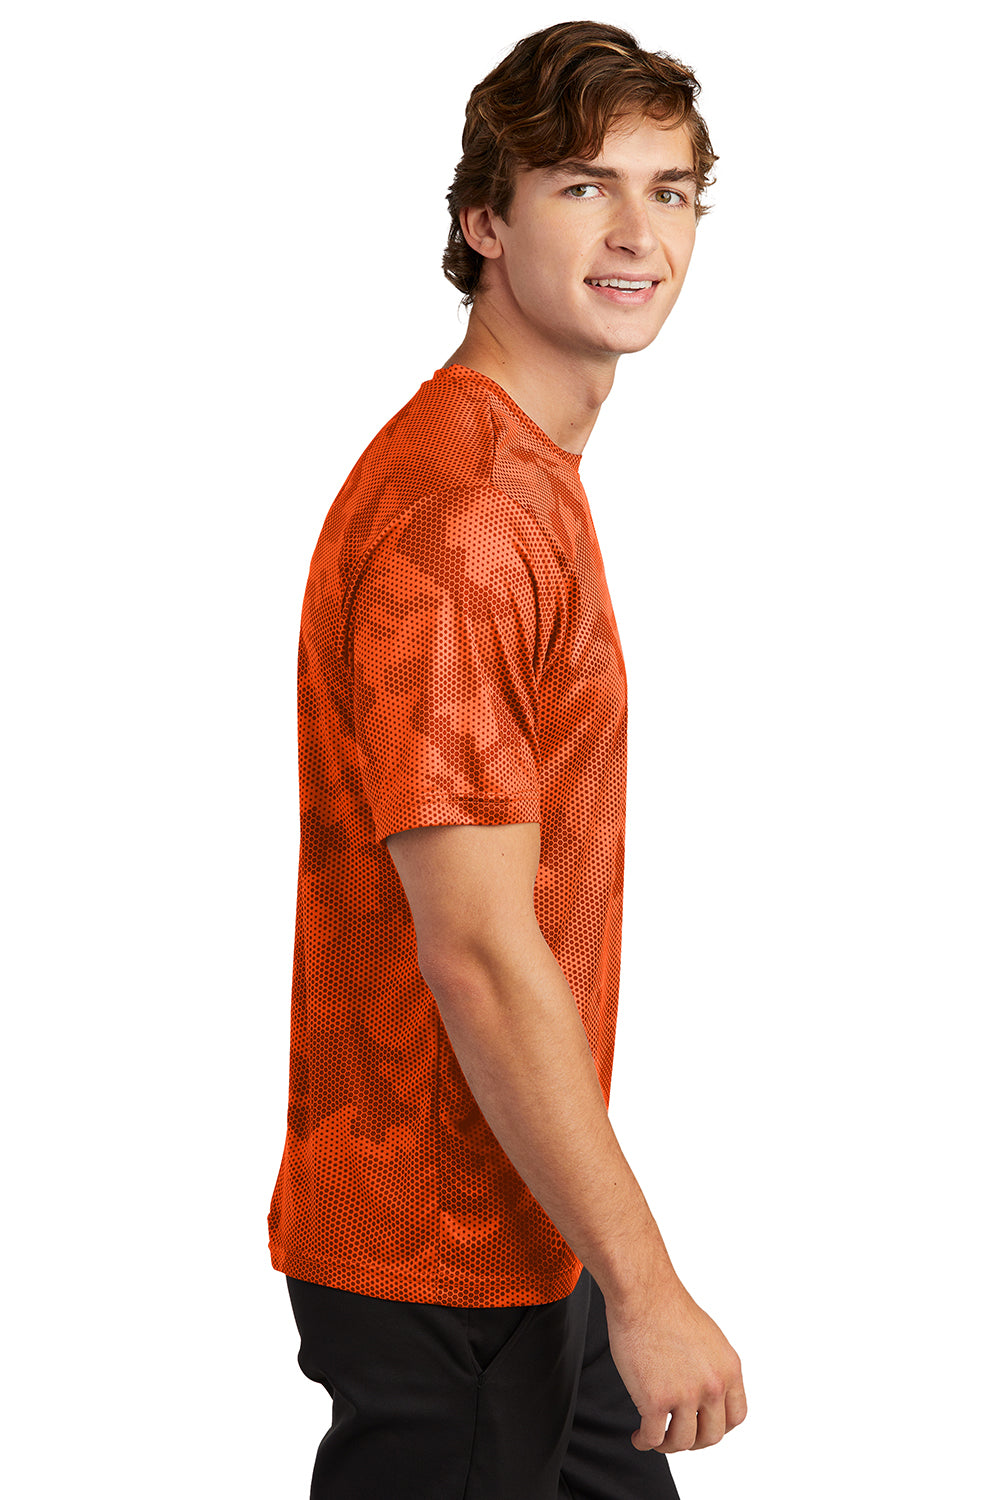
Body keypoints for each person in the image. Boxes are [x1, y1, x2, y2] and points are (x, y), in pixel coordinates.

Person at [267, 19, 747, 1498]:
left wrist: (604, 1264)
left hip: (526, 1229)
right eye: (584, 186)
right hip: (447, 1259)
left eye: (671, 191)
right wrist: (650, 1284)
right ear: (484, 219)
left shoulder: (524, 469)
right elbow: (475, 943)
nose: (637, 233)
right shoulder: (463, 512)